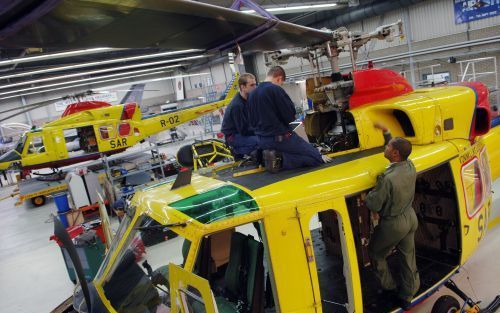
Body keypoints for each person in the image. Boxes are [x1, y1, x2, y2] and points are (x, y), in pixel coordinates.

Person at [365, 123, 420, 311]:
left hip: (394, 223)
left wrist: (369, 195)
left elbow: (374, 204)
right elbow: (398, 149)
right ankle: (408, 294)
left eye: (388, 147)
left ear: (395, 153)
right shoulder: (410, 165)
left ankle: (389, 287)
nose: (385, 147)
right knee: (408, 256)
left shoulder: (386, 178)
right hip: (410, 217)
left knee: (375, 253)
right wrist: (386, 133)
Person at [248, 66, 324, 173]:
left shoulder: (252, 94)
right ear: (279, 78)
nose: (281, 85)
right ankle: (280, 160)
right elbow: (289, 116)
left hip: (262, 140)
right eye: (281, 83)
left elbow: (251, 121)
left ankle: (271, 157)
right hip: (280, 139)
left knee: (300, 149)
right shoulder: (275, 89)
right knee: (317, 157)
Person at [221, 73, 258, 156]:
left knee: (265, 139)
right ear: (243, 87)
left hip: (242, 132)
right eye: (252, 85)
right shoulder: (237, 106)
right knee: (261, 142)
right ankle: (236, 151)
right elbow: (244, 130)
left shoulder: (248, 100)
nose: (255, 88)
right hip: (233, 136)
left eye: (255, 84)